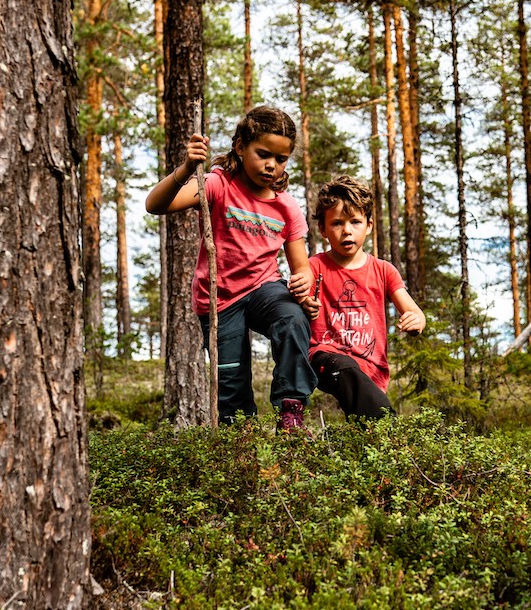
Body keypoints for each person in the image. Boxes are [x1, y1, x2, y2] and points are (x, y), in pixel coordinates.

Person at [145, 106, 317, 430]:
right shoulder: (218, 185)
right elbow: (156, 205)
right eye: (263, 154)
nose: (271, 166)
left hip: (265, 288)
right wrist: (185, 168)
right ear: (240, 146)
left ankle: (291, 410)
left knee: (293, 319)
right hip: (220, 299)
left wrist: (304, 284)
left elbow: (301, 267)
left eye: (281, 159)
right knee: (231, 381)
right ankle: (241, 443)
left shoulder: (287, 206)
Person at [301, 175, 426, 419]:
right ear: (323, 229)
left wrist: (415, 321)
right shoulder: (314, 266)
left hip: (372, 366)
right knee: (348, 373)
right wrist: (304, 302)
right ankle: (391, 434)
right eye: (337, 223)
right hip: (326, 357)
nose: (347, 230)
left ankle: (378, 446)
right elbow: (299, 300)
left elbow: (414, 312)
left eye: (355, 222)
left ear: (368, 226)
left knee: (365, 431)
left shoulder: (384, 270)